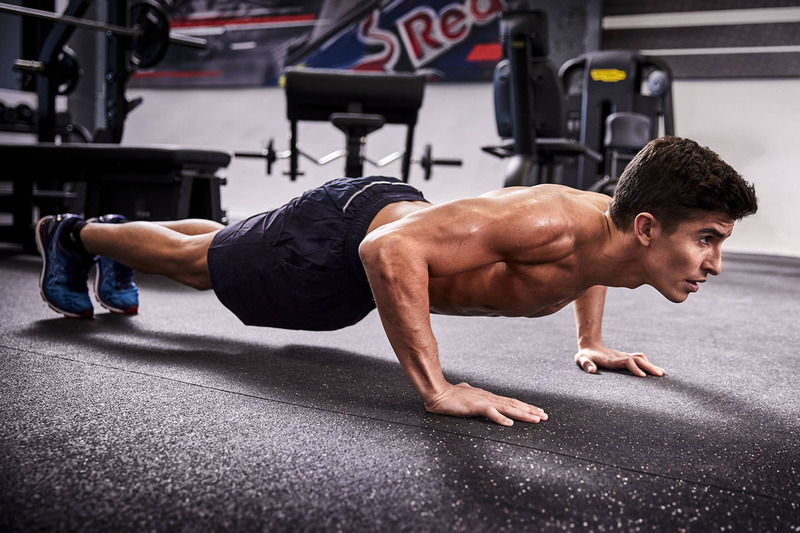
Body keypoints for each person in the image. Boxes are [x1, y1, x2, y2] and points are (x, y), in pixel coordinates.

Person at [35, 136, 758, 426]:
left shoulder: (617, 240)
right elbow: (388, 251)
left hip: (373, 220)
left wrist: (591, 340)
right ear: (648, 228)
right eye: (707, 239)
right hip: (352, 237)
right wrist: (437, 387)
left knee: (222, 246)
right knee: (205, 269)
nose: (714, 263)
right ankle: (75, 233)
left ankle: (108, 240)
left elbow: (592, 268)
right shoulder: (549, 218)